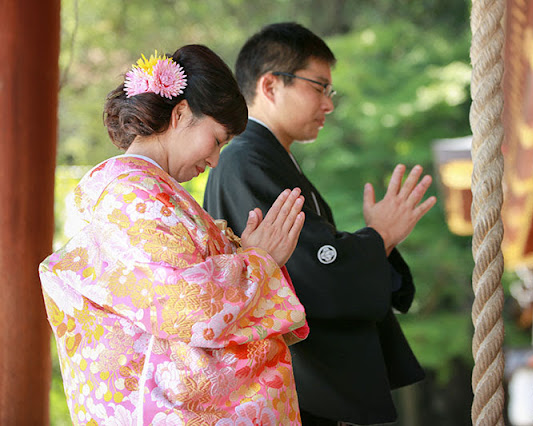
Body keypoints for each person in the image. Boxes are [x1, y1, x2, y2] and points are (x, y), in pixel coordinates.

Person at [39, 44, 311, 425]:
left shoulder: (147, 192)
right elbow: (190, 308)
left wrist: (247, 256)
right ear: (181, 113)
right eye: (216, 140)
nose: (215, 160)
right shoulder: (129, 192)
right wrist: (258, 262)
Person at [204, 23, 437, 425]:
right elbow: (308, 268)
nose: (329, 104)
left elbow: (308, 257)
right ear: (271, 86)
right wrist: (377, 237)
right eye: (319, 87)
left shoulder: (268, 158)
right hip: (283, 388)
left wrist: (376, 242)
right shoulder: (244, 159)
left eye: (330, 92)